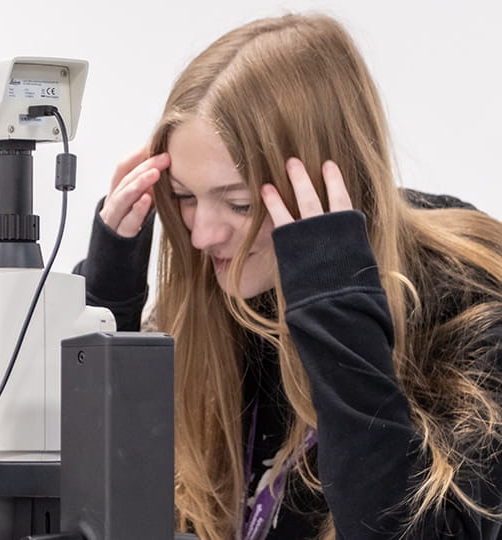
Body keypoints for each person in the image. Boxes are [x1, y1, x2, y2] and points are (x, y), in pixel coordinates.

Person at [77, 13, 502, 540]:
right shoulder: (237, 294)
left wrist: (336, 314)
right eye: (184, 196)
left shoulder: (473, 305)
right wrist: (104, 301)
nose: (201, 235)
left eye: (238, 202)